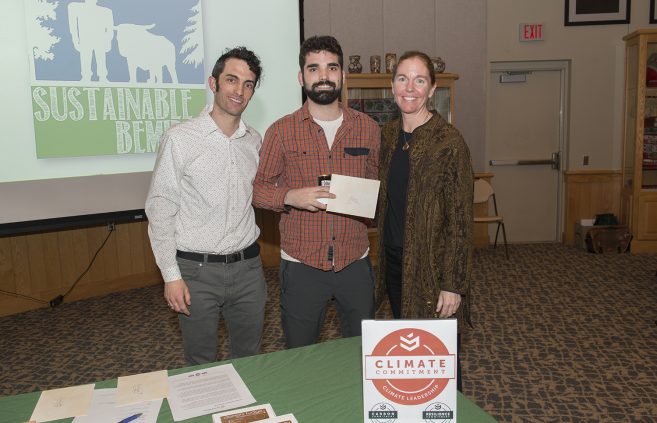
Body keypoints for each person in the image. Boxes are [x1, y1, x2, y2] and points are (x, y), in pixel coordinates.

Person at [253, 35, 380, 348]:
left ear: (342, 75)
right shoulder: (280, 132)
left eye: (331, 68)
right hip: (302, 265)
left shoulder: (368, 128)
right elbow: (258, 190)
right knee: (301, 355)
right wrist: (288, 197)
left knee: (361, 353)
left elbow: (375, 183)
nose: (323, 76)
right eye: (314, 69)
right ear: (301, 77)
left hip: (355, 261)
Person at [145, 47, 266, 365]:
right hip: (196, 273)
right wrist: (171, 275)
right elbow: (160, 208)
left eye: (248, 84)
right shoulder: (180, 138)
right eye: (232, 80)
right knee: (202, 364)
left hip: (249, 271)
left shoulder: (255, 140)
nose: (239, 90)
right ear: (214, 83)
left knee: (250, 359)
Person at [375, 51, 474, 390]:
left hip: (432, 269)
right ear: (392, 86)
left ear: (432, 89)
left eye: (420, 80)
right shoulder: (387, 137)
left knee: (438, 358)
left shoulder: (450, 142)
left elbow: (461, 220)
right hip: (392, 262)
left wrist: (454, 283)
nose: (410, 88)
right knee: (406, 354)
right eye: (403, 79)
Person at [68, 0, 114, 82]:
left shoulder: (105, 11)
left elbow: (110, 29)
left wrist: (108, 41)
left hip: (100, 40)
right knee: (85, 58)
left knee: (101, 58)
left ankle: (102, 76)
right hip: (85, 39)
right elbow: (73, 26)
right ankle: (86, 76)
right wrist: (75, 39)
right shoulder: (78, 9)